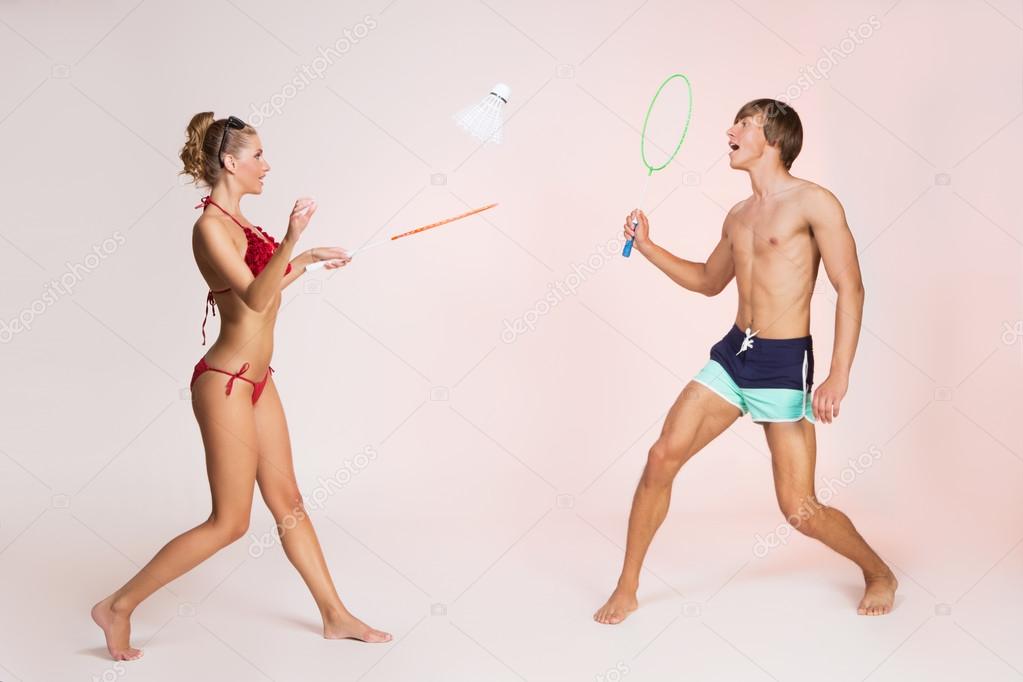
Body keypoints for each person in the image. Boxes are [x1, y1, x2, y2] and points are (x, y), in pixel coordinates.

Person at [91, 112, 391, 661]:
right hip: (225, 384)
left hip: (258, 383)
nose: (266, 165)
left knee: (290, 500)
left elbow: (265, 288)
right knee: (230, 522)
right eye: (257, 156)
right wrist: (294, 239)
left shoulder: (245, 223)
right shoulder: (210, 226)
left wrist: (306, 259)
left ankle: (334, 615)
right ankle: (118, 606)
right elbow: (254, 300)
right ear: (231, 162)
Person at [594, 98, 898, 624]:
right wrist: (647, 246)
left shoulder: (815, 203)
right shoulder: (737, 215)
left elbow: (851, 287)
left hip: (782, 363)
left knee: (800, 509)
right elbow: (709, 283)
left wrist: (838, 374)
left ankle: (878, 571)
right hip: (735, 353)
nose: (729, 131)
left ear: (774, 140)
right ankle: (627, 586)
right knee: (662, 455)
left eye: (744, 124)